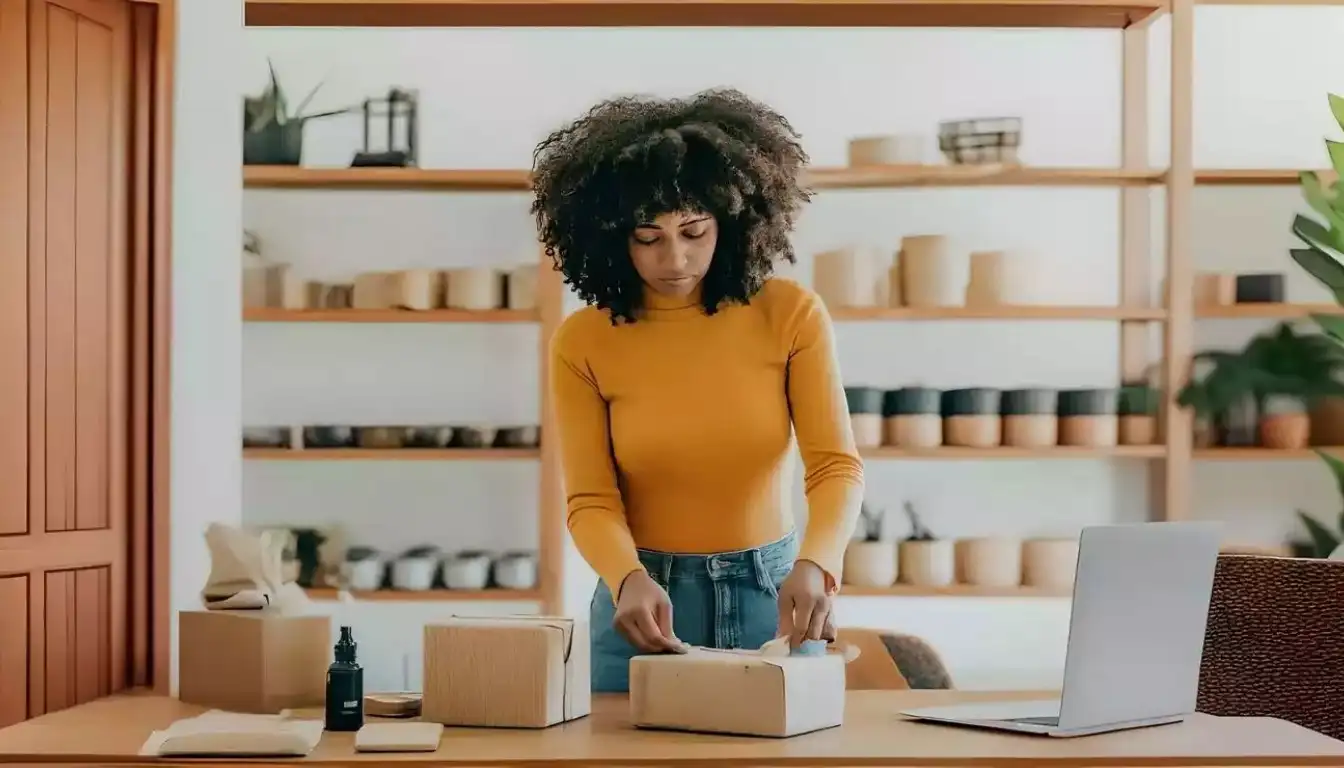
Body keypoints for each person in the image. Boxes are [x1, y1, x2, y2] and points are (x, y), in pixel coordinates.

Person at [531, 88, 865, 693]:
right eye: (647, 237)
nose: (675, 258)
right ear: (611, 237)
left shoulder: (790, 315)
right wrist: (625, 577)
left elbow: (835, 466)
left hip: (773, 593)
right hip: (643, 600)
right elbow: (589, 498)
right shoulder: (583, 341)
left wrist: (818, 563)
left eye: (694, 231)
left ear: (734, 221)